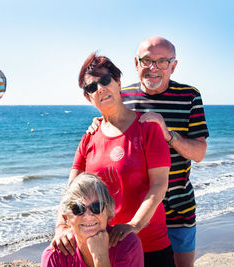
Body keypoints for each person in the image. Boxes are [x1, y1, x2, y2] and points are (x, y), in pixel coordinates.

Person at [88, 37, 209, 267]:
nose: (153, 68)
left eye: (161, 62)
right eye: (146, 61)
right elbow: (108, 128)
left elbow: (200, 152)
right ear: (136, 63)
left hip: (178, 210)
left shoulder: (190, 96)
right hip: (137, 214)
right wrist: (96, 126)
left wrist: (168, 134)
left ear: (173, 66)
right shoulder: (122, 96)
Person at [51, 52, 176, 267]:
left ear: (118, 82)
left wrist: (134, 225)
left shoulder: (147, 129)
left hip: (151, 245)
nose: (100, 89)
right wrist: (61, 227)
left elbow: (159, 186)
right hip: (107, 250)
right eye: (91, 87)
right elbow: (71, 192)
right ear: (88, 97)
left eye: (105, 80)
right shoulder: (89, 137)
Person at [41, 173, 144, 267]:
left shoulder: (127, 245)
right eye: (78, 209)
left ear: (109, 213)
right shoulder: (55, 255)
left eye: (97, 207)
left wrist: (100, 257)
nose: (88, 215)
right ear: (66, 218)